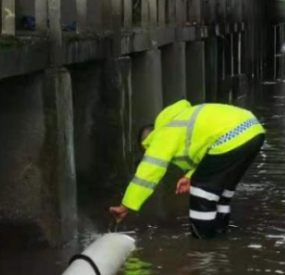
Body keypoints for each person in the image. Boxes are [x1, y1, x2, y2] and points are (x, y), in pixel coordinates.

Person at [110, 100, 265, 238]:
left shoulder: (163, 134)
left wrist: (127, 205)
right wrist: (191, 175)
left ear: (148, 142)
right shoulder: (181, 122)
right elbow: (207, 151)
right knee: (221, 190)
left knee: (201, 190)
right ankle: (220, 235)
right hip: (253, 131)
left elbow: (148, 173)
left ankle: (203, 246)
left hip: (231, 137)